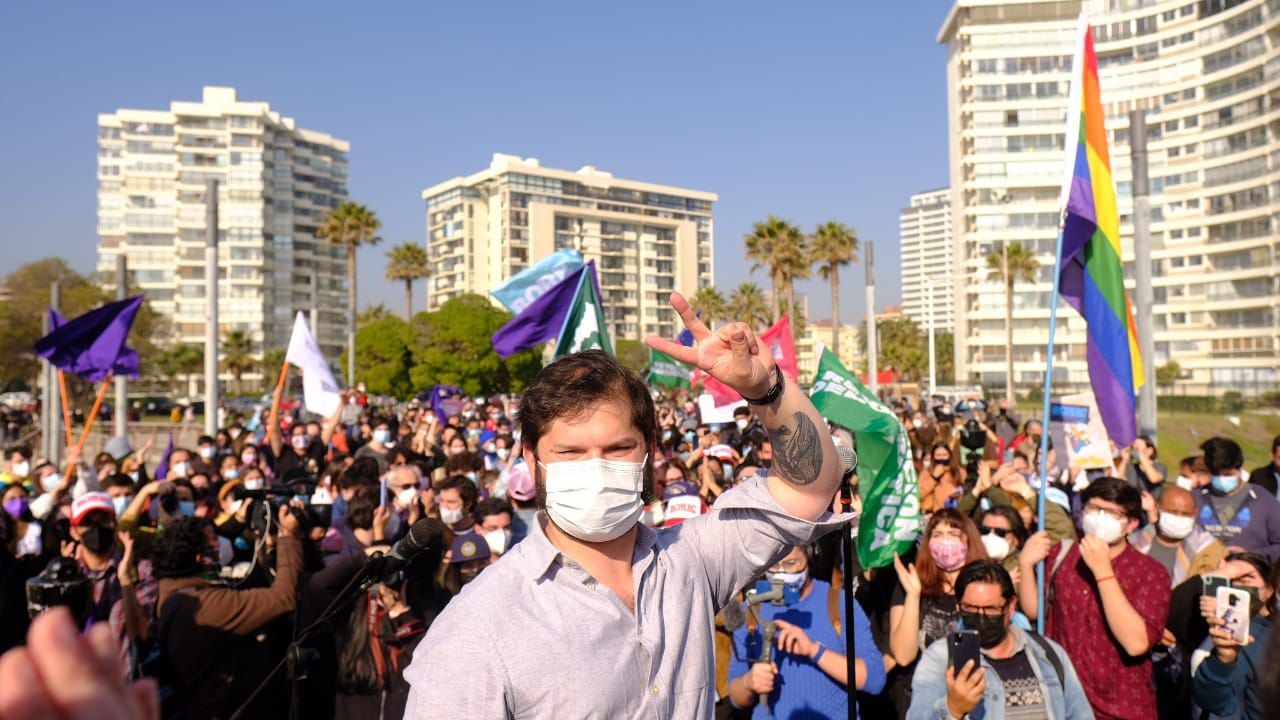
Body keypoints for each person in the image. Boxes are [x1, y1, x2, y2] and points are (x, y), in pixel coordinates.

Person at [403, 293, 847, 718]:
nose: (595, 468)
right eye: (570, 453)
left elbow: (807, 489)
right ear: (531, 460)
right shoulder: (475, 628)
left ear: (649, 451)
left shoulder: (691, 561)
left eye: (618, 448)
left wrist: (766, 390)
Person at [1018, 478, 1171, 720]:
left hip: (1119, 708)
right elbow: (1035, 611)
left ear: (1131, 524)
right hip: (1060, 700)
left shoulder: (1151, 573)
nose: (1099, 518)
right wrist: (1026, 565)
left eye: (1111, 513)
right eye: (1094, 509)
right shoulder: (1063, 553)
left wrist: (1103, 572)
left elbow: (1136, 643)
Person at [152, 507, 304, 719]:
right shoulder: (205, 605)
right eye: (213, 541)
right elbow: (283, 598)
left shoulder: (176, 594)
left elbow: (245, 596)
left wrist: (266, 548)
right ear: (200, 558)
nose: (219, 545)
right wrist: (289, 537)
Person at [907, 560, 1094, 720]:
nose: (980, 617)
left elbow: (1080, 714)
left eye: (990, 609)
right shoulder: (940, 658)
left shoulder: (1048, 653)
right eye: (970, 608)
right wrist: (952, 709)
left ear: (1011, 606)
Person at [727, 545, 886, 719]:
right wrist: (748, 682)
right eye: (773, 564)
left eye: (791, 563)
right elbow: (736, 697)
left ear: (811, 556)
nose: (781, 573)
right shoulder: (751, 611)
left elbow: (875, 679)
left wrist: (814, 651)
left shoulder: (839, 603)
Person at [887, 508, 988, 715]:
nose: (945, 542)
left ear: (969, 540)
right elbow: (903, 656)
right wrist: (913, 596)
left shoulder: (983, 586)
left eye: (953, 534)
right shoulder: (911, 582)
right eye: (937, 535)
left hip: (974, 701)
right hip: (922, 703)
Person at [1191, 552, 1275, 720]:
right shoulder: (1246, 639)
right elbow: (1218, 703)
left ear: (1269, 590)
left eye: (1246, 578)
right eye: (1231, 581)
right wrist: (1223, 659)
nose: (1237, 588)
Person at [1194, 437, 1280, 561]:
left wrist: (1251, 556)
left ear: (1240, 468)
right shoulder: (1196, 498)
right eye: (1216, 474)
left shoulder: (1263, 500)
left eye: (1228, 474)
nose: (1221, 479)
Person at [1129, 485, 1226, 587]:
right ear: (1157, 508)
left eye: (1186, 514)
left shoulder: (1210, 550)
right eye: (1173, 512)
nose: (1179, 518)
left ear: (1195, 513)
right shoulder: (1132, 543)